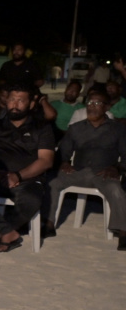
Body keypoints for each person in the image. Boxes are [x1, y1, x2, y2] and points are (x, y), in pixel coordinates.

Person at [44, 90, 126, 250]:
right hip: (78, 171)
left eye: (97, 103)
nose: (91, 106)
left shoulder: (118, 129)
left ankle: (123, 233)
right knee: (52, 182)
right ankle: (48, 224)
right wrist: (65, 162)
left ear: (107, 107)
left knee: (116, 191)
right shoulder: (76, 128)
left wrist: (117, 167)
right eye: (89, 102)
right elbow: (64, 150)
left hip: (103, 173)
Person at [0, 84, 55, 252]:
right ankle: (8, 232)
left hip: (28, 180)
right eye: (11, 100)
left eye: (20, 101)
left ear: (31, 104)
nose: (14, 105)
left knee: (31, 199)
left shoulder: (42, 128)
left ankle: (4, 232)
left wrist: (17, 176)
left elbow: (46, 161)